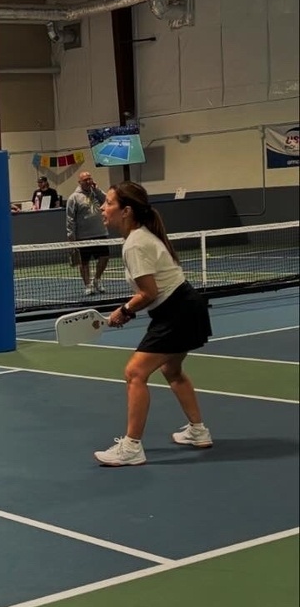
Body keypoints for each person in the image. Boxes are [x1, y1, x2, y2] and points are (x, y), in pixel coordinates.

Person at [93, 181, 213, 467]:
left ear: (126, 211)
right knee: (172, 369)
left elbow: (149, 293)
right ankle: (199, 431)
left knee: (134, 372)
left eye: (108, 203)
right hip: (187, 306)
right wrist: (127, 309)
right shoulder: (140, 236)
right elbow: (152, 291)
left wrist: (124, 310)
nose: (102, 207)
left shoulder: (135, 243)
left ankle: (132, 446)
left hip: (177, 311)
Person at [65, 171, 111, 295]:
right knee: (84, 262)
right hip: (83, 236)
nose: (88, 181)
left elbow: (108, 201)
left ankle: (97, 280)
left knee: (105, 257)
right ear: (80, 182)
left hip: (100, 233)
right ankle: (88, 285)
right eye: (85, 180)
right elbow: (70, 219)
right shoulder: (73, 198)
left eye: (90, 179)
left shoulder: (97, 194)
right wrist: (71, 237)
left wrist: (97, 190)